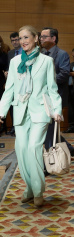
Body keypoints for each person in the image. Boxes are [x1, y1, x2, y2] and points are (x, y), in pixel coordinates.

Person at [0, 25, 62, 207]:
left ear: (36, 39)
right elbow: (9, 89)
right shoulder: (15, 62)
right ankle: (29, 187)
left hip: (40, 111)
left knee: (34, 147)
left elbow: (52, 89)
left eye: (26, 37)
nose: (23, 41)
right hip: (20, 111)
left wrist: (57, 110)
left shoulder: (46, 62)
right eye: (20, 38)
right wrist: (1, 111)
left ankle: (37, 190)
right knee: (21, 150)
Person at [40, 27, 74, 156]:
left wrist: (48, 82)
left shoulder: (61, 54)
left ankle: (50, 158)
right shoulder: (41, 54)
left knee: (50, 127)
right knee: (48, 127)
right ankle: (69, 148)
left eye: (44, 36)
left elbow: (64, 74)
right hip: (43, 96)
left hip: (56, 95)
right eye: (41, 36)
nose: (41, 39)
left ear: (53, 38)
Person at [4, 32, 23, 136]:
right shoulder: (10, 53)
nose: (15, 42)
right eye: (12, 40)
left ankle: (19, 127)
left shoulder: (25, 51)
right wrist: (7, 72)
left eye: (16, 40)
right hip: (13, 84)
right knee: (12, 106)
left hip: (24, 83)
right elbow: (9, 67)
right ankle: (14, 127)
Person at [0, 36, 10, 135]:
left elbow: (6, 66)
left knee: (1, 103)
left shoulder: (3, 53)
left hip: (1, 81)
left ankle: (3, 126)